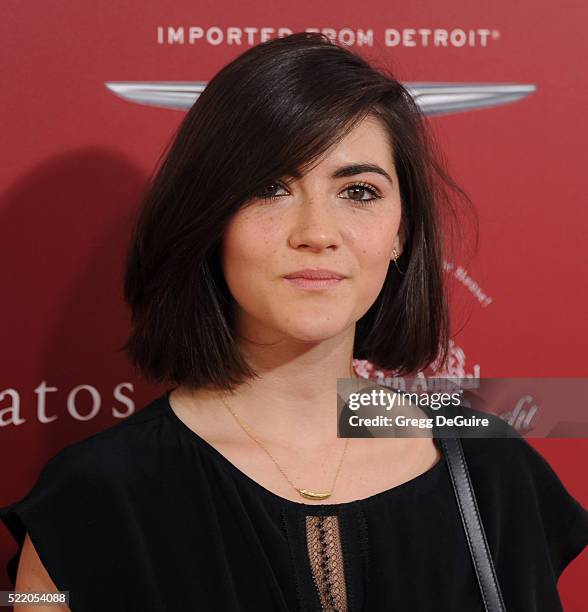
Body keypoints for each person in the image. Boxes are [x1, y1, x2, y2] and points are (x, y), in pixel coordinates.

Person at [1, 32, 587, 612]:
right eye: (270, 188)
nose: (317, 232)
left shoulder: (493, 470)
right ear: (209, 218)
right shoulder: (87, 502)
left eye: (358, 191)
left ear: (401, 234)